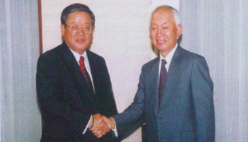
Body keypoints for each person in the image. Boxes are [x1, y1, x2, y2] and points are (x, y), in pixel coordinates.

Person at [97, 5, 215, 142]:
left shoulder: (194, 64)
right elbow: (138, 107)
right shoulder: (148, 70)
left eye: (165, 27)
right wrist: (112, 122)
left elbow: (205, 120)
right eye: (154, 28)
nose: (159, 34)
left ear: (178, 31)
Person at [36, 3, 119, 142]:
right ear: (63, 29)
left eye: (87, 27)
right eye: (74, 27)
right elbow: (50, 106)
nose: (81, 33)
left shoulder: (98, 62)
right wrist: (90, 121)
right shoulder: (49, 60)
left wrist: (108, 125)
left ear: (92, 30)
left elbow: (109, 106)